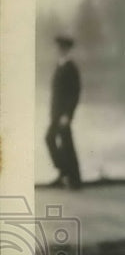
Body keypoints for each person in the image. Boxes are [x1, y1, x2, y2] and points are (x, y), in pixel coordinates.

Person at [45, 34, 83, 189]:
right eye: (58, 48)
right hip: (56, 113)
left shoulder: (70, 67)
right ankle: (64, 173)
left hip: (64, 115)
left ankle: (74, 179)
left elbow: (75, 93)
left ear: (67, 49)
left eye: (62, 48)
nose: (59, 50)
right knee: (50, 139)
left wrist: (68, 114)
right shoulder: (59, 65)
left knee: (67, 144)